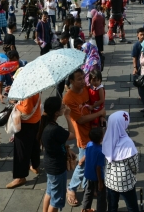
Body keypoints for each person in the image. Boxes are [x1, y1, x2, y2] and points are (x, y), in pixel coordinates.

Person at [63, 69, 107, 207]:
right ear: (71, 81)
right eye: (79, 79)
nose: (83, 82)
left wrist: (101, 116)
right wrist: (100, 112)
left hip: (94, 131)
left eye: (84, 78)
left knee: (91, 162)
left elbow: (97, 103)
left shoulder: (86, 89)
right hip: (83, 135)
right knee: (83, 163)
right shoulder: (68, 99)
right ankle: (71, 188)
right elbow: (81, 120)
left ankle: (88, 186)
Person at [37, 96, 76, 212]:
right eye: (62, 106)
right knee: (56, 200)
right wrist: (68, 116)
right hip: (57, 168)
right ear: (56, 113)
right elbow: (73, 135)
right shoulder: (54, 129)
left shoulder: (46, 123)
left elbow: (57, 142)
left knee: (49, 192)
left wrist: (66, 149)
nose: (64, 107)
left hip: (50, 164)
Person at [103, 111, 139, 212]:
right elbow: (134, 165)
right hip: (125, 181)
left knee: (112, 205)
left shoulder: (107, 138)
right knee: (131, 205)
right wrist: (135, 172)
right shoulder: (127, 143)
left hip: (110, 179)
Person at [82, 128, 107, 212]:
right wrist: (100, 182)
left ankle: (85, 208)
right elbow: (98, 168)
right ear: (101, 139)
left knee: (88, 191)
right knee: (101, 195)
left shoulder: (89, 144)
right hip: (97, 177)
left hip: (89, 174)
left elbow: (86, 155)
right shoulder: (100, 151)